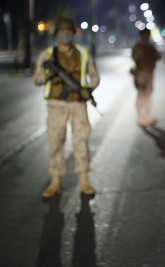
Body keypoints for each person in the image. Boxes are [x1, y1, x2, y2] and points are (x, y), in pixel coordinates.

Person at [33, 18, 100, 198]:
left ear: (73, 33)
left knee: (81, 141)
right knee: (56, 142)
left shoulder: (83, 53)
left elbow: (95, 77)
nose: (65, 34)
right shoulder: (47, 55)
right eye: (61, 31)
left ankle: (84, 181)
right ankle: (55, 182)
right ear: (56, 35)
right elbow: (37, 79)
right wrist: (49, 73)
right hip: (56, 105)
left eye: (68, 31)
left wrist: (87, 90)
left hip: (78, 104)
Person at [131, 28, 161, 126]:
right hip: (141, 73)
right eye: (144, 35)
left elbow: (158, 56)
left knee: (147, 95)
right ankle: (140, 115)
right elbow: (135, 57)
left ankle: (146, 115)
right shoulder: (138, 47)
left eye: (147, 35)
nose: (145, 37)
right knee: (141, 94)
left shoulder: (150, 47)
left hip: (149, 73)